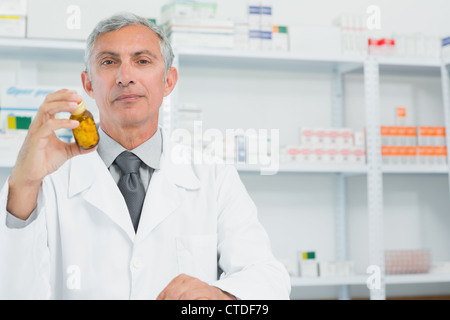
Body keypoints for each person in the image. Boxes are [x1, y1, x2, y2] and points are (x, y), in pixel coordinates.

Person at [0, 12, 290, 300]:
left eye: (142, 61)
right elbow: (14, 290)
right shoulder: (48, 180)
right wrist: (24, 184)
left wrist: (220, 296)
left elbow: (268, 279)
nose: (125, 77)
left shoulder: (214, 177)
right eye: (109, 62)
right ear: (88, 84)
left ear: (168, 81)